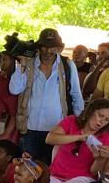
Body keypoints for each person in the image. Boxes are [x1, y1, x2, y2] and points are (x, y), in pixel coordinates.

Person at [9, 28, 84, 163]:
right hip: (30, 128)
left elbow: (76, 95)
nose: (48, 51)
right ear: (39, 47)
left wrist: (78, 123)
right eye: (45, 47)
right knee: (27, 168)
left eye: (53, 47)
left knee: (51, 168)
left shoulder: (67, 65)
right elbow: (14, 89)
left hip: (57, 129)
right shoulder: (29, 63)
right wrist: (21, 65)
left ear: (60, 48)